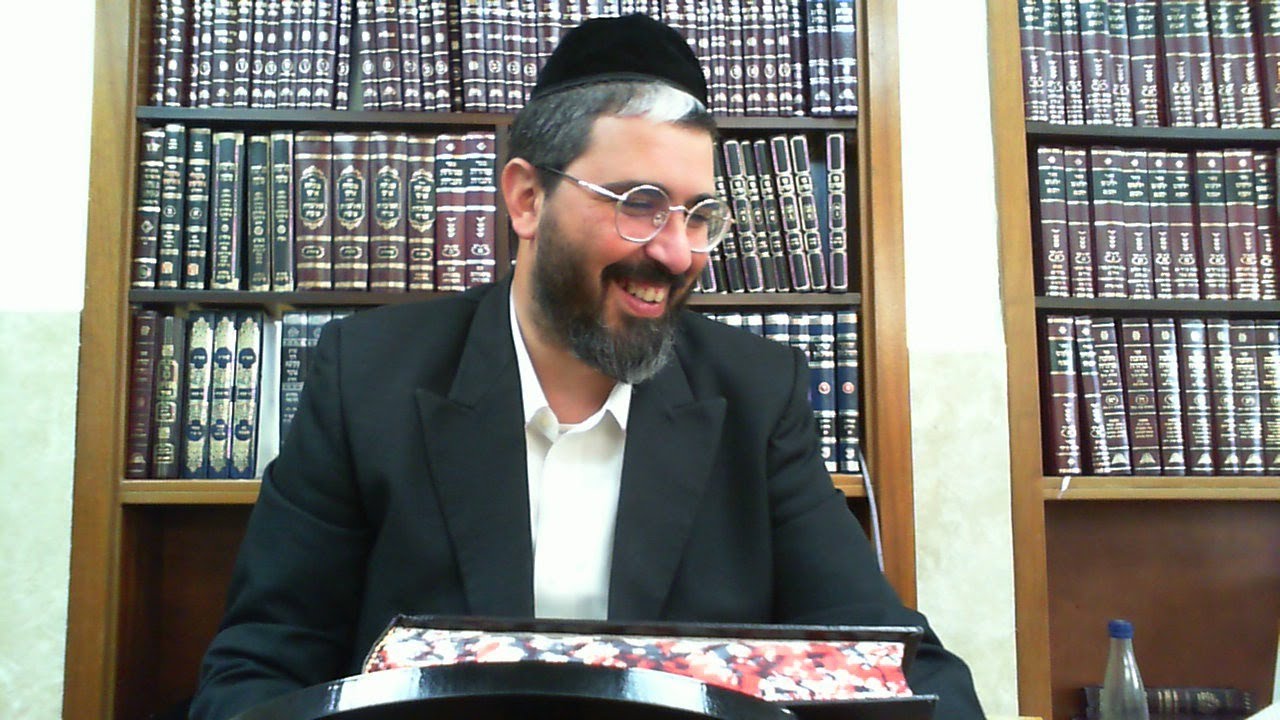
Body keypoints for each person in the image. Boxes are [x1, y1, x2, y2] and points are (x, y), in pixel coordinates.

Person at [191, 13, 983, 720]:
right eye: (640, 204)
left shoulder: (755, 396)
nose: (676, 253)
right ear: (526, 199)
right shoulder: (367, 378)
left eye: (699, 216)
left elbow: (893, 665)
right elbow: (260, 669)